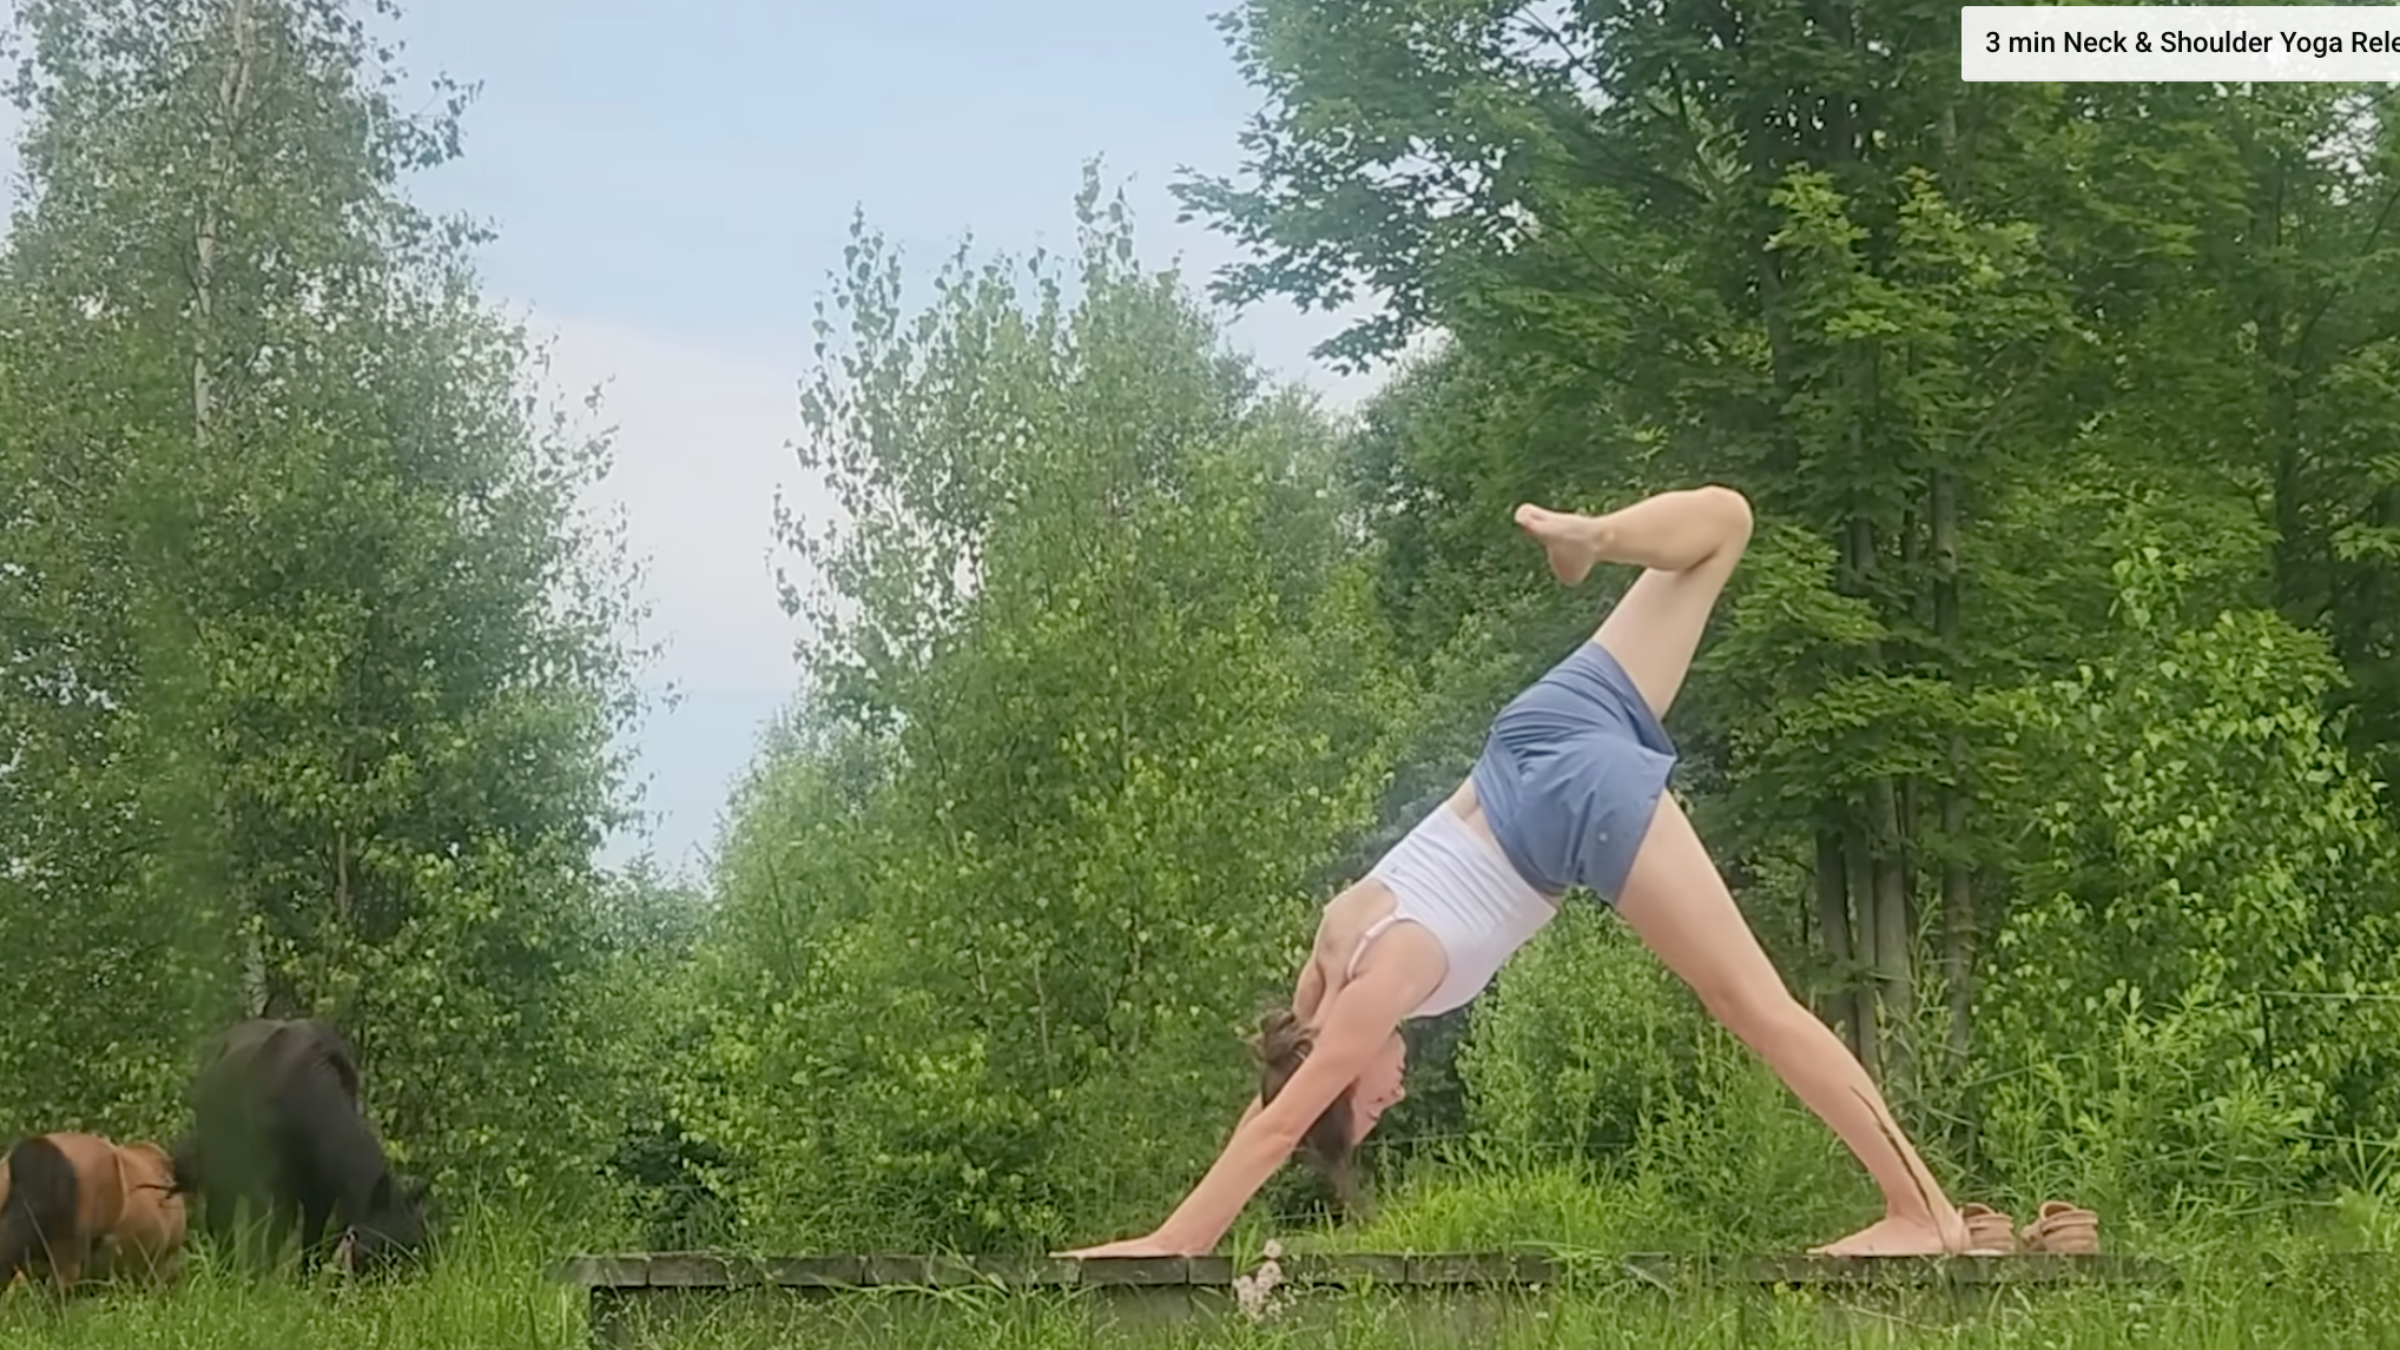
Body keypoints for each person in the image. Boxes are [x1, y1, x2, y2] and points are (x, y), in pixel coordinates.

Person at [1063, 485, 1974, 1260]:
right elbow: (1274, 1094)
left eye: (1372, 1105)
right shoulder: (1331, 953)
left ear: (1339, 1073)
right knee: (1724, 524)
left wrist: (1174, 1240)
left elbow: (1275, 1125)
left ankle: (1922, 1212)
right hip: (1535, 731)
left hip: (1559, 804)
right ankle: (1596, 537)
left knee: (1754, 1006)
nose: (1394, 1094)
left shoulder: (1381, 984)